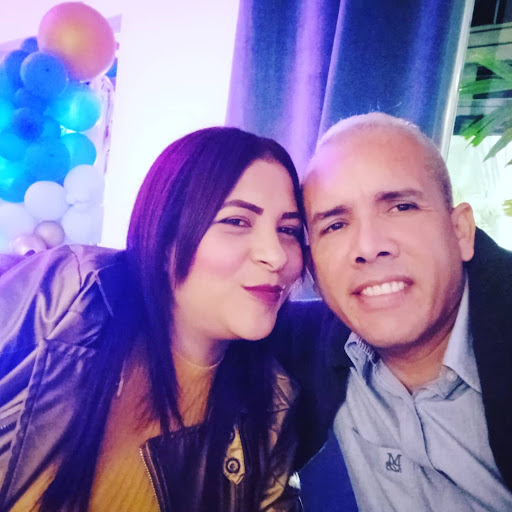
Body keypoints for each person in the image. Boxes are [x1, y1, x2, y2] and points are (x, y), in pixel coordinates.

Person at [0, 127, 306, 512]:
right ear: (164, 241)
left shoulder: (272, 407)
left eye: (289, 230)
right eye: (237, 221)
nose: (276, 256)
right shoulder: (69, 294)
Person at [271, 112, 512, 511]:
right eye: (335, 225)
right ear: (313, 267)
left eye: (401, 207)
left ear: (461, 231)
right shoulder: (300, 348)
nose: (369, 246)